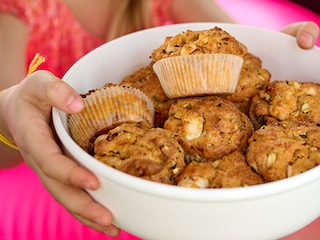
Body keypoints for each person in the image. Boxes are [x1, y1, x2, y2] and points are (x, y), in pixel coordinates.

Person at [0, 0, 319, 239]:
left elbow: (235, 52)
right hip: (96, 198)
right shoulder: (17, 12)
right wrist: (8, 107)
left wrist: (285, 52)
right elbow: (7, 155)